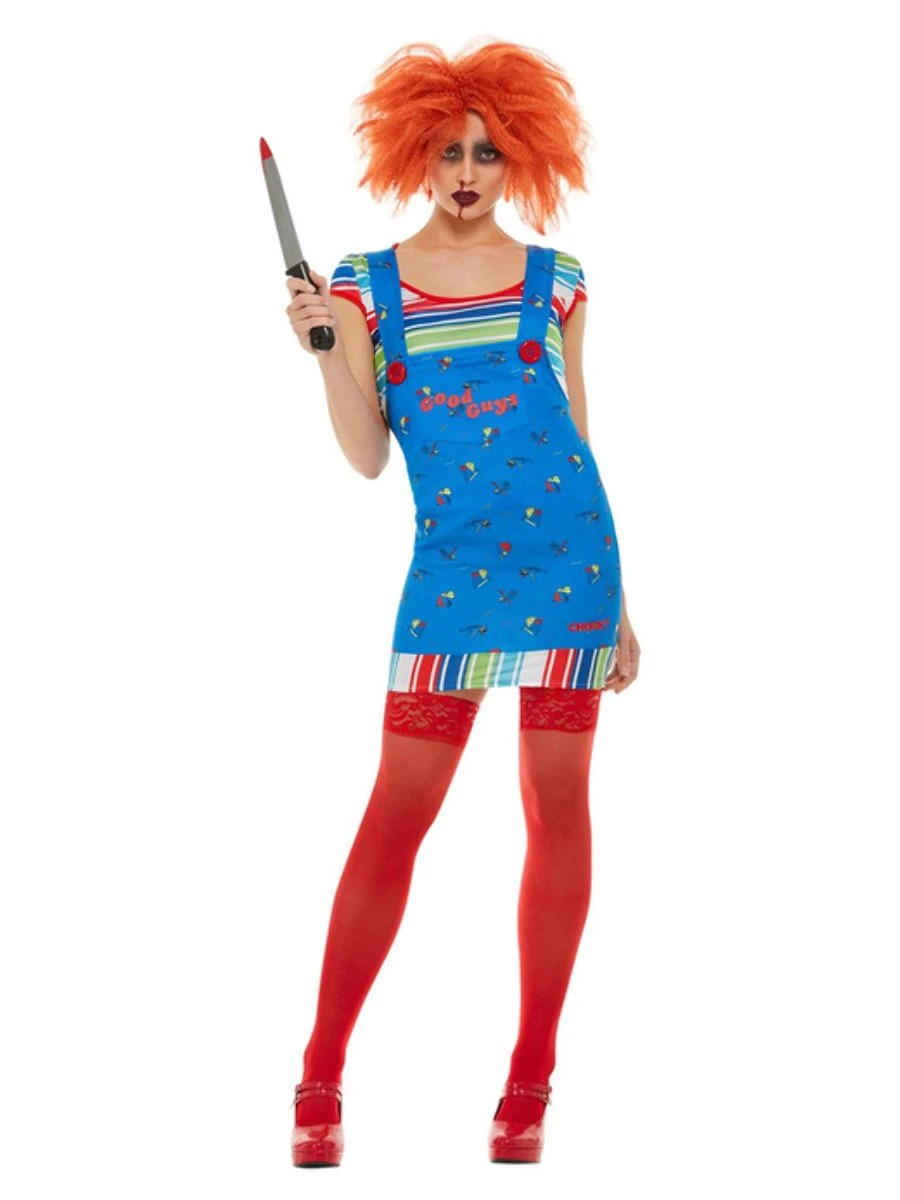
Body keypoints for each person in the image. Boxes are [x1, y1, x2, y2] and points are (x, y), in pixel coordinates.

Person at [283, 39, 641, 1166]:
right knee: (397, 811)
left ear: (521, 155)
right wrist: (325, 352)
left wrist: (622, 602)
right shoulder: (366, 285)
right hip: (450, 578)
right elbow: (365, 456)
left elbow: (578, 438)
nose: (469, 172)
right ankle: (320, 1072)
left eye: (488, 152)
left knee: (557, 806)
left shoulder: (558, 279)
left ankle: (530, 1082)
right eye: (448, 151)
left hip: (571, 575)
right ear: (416, 156)